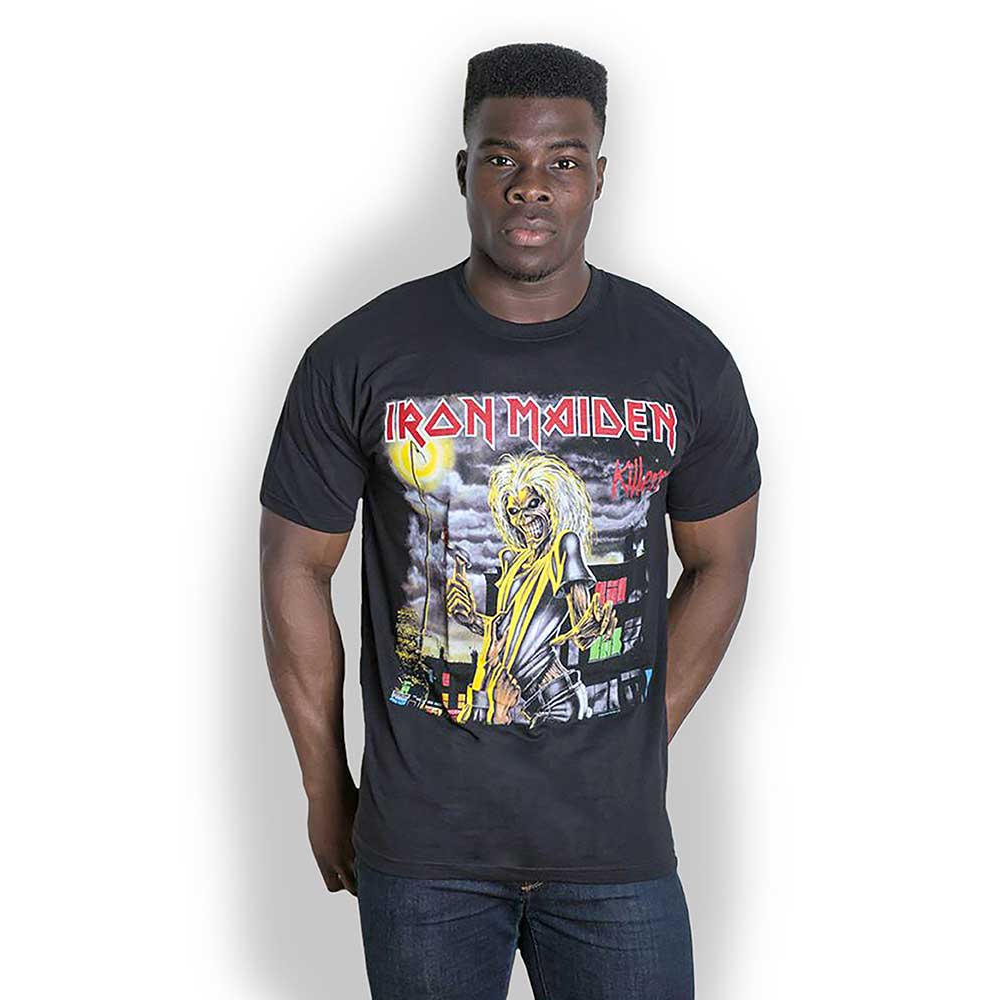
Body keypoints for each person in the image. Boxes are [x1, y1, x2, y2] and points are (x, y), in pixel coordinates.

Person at [259, 41, 760, 1000]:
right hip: (421, 854)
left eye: (563, 160)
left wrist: (640, 732)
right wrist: (326, 787)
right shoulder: (358, 355)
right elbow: (294, 567)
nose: (532, 185)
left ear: (599, 176)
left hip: (615, 850)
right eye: (503, 157)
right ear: (464, 170)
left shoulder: (684, 360)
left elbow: (721, 562)